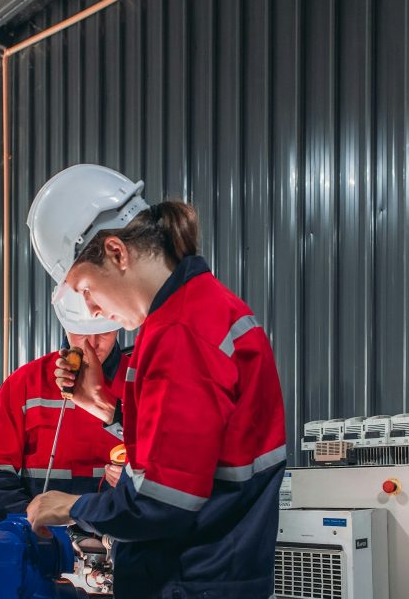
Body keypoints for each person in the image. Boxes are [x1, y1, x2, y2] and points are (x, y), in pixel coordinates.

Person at [23, 164, 286, 598]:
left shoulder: (180, 332)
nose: (89, 310)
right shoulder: (199, 311)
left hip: (190, 580)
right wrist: (105, 409)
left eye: (84, 288)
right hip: (214, 574)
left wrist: (71, 507)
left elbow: (163, 503)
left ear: (117, 253)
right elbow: (197, 450)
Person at [0, 323, 130, 516]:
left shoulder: (144, 382)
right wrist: (29, 522)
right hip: (41, 534)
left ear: (117, 324)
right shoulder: (25, 382)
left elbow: (169, 468)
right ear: (66, 325)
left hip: (121, 534)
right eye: (82, 331)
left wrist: (135, 481)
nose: (92, 344)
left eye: (103, 331)